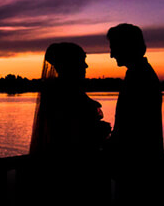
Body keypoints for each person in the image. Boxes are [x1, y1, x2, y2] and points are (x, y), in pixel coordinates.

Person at [28, 42, 111, 204]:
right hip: (76, 170)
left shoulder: (63, 91)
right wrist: (98, 132)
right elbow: (69, 135)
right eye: (82, 60)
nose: (86, 65)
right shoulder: (62, 93)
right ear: (70, 64)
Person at [106, 23, 164, 204]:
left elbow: (133, 128)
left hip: (138, 170)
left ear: (126, 46)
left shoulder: (139, 77)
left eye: (114, 48)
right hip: (142, 168)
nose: (111, 55)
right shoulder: (140, 74)